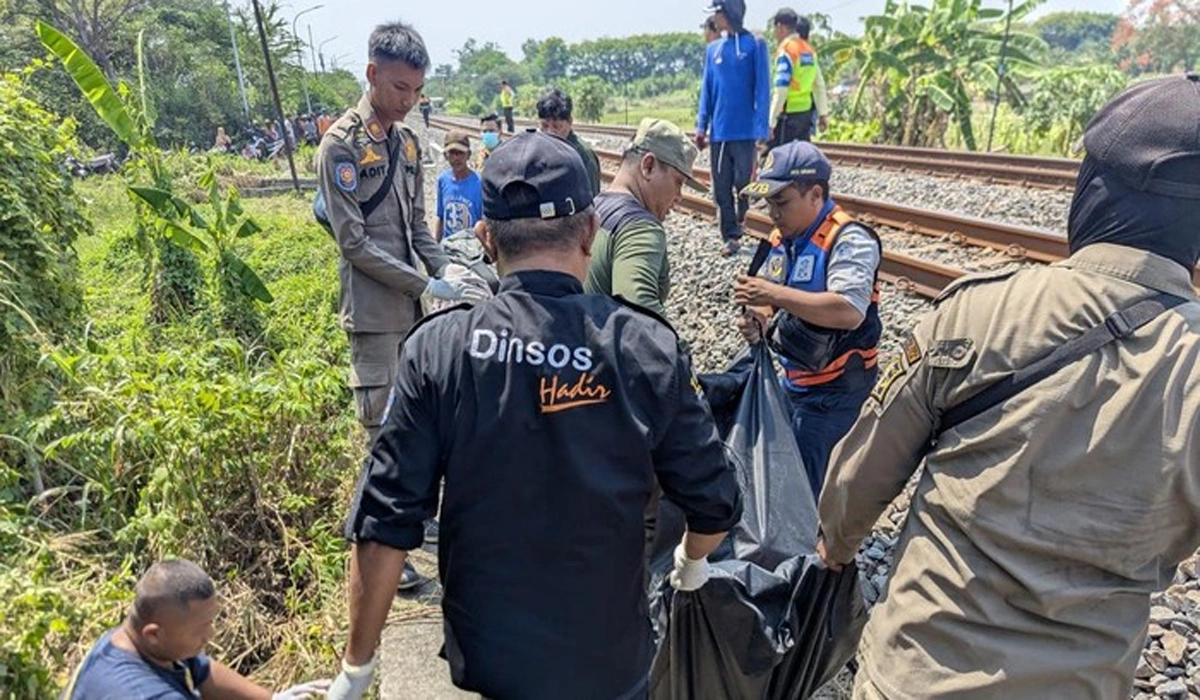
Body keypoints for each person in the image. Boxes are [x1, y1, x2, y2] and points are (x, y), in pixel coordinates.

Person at [818, 74, 1200, 699]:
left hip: (917, 674)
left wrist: (836, 544)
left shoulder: (980, 311)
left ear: (1093, 190)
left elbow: (859, 480)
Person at [325, 131, 742, 700]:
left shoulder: (438, 349)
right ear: (590, 231)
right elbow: (714, 501)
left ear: (486, 237)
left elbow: (384, 522)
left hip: (494, 658)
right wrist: (690, 567)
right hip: (609, 661)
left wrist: (356, 668)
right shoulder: (647, 349)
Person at [316, 21, 485, 590]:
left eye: (416, 91)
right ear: (371, 75)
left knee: (421, 426)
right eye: (398, 89)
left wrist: (447, 267)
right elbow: (353, 243)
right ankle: (385, 553)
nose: (408, 101)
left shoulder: (409, 143)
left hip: (414, 312)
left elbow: (417, 227)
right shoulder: (341, 145)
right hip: (374, 315)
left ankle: (420, 523)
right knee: (383, 438)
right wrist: (425, 285)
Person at [733, 140, 881, 498]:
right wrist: (759, 318)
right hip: (796, 379)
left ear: (815, 195)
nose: (773, 213)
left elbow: (849, 310)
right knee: (786, 471)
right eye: (768, 203)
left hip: (836, 390)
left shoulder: (849, 240)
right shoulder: (782, 239)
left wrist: (772, 296)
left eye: (781, 202)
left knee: (809, 486)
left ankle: (819, 547)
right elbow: (770, 293)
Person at [65, 559, 328, 700]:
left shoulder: (127, 643)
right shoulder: (142, 693)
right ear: (153, 634)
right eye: (200, 629)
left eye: (211, 623)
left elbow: (199, 669)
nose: (210, 636)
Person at [585, 117, 706, 321]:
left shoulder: (595, 207)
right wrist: (678, 351)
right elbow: (639, 308)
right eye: (678, 182)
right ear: (648, 166)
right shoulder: (640, 227)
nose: (679, 196)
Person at [696, 0, 771, 257]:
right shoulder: (713, 50)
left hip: (745, 132)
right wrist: (701, 126)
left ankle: (742, 215)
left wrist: (762, 128)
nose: (714, 19)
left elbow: (763, 89)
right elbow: (706, 91)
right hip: (719, 133)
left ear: (729, 14)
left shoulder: (755, 46)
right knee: (720, 187)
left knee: (743, 183)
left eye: (717, 12)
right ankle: (731, 235)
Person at [768, 9, 829, 147]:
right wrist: (823, 113)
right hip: (805, 115)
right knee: (801, 158)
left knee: (774, 159)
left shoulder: (786, 50)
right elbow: (818, 84)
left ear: (780, 27)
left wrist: (771, 122)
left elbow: (781, 89)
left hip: (787, 116)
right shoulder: (809, 50)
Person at [536, 86, 601, 196]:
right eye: (544, 126)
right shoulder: (535, 149)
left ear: (570, 122)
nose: (550, 132)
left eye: (557, 127)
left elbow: (592, 200)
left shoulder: (583, 156)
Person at [434, 129, 483, 243]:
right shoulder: (443, 180)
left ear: (468, 155)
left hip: (472, 248)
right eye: (452, 153)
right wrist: (436, 245)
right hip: (449, 247)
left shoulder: (479, 183)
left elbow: (484, 222)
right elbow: (441, 217)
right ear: (445, 155)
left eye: (460, 153)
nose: (456, 158)